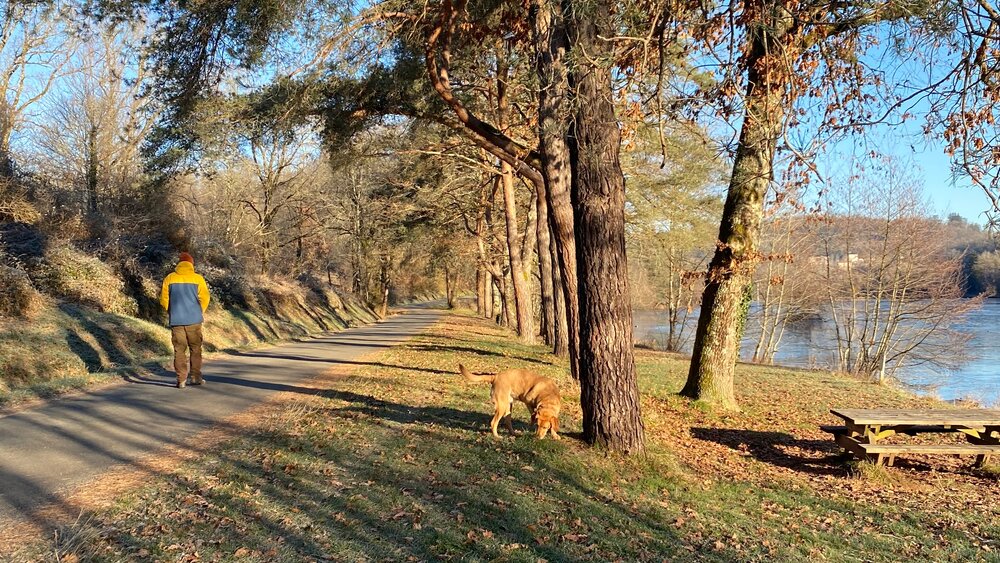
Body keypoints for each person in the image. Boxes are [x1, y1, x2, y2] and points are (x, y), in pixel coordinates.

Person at [160, 252, 211, 388]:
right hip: (194, 320)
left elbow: (164, 299)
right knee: (195, 349)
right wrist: (199, 311)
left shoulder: (169, 278)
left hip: (176, 320)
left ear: (179, 263)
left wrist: (171, 311)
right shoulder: (198, 278)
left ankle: (181, 379)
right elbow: (205, 298)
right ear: (191, 264)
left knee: (179, 350)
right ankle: (195, 377)